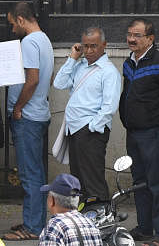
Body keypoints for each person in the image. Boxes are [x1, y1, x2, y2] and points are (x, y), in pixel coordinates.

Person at [119, 18, 159, 246]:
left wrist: (157, 121)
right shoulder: (129, 63)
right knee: (139, 182)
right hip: (133, 132)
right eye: (129, 34)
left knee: (157, 183)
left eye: (137, 35)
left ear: (150, 39)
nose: (131, 39)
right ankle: (145, 228)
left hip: (153, 132)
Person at [3, 2, 56, 241]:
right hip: (38, 113)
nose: (12, 29)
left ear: (22, 20)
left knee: (29, 174)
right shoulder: (44, 40)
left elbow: (32, 79)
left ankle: (33, 227)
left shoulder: (30, 42)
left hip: (28, 117)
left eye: (13, 23)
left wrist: (18, 107)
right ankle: (32, 220)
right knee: (34, 171)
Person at [52, 26, 121, 205]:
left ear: (104, 45)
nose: (89, 51)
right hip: (73, 129)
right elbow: (59, 83)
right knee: (79, 180)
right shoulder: (80, 66)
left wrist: (91, 127)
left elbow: (109, 107)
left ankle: (103, 219)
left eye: (94, 46)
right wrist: (72, 58)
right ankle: (84, 219)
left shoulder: (109, 71)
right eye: (86, 46)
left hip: (90, 131)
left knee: (93, 179)